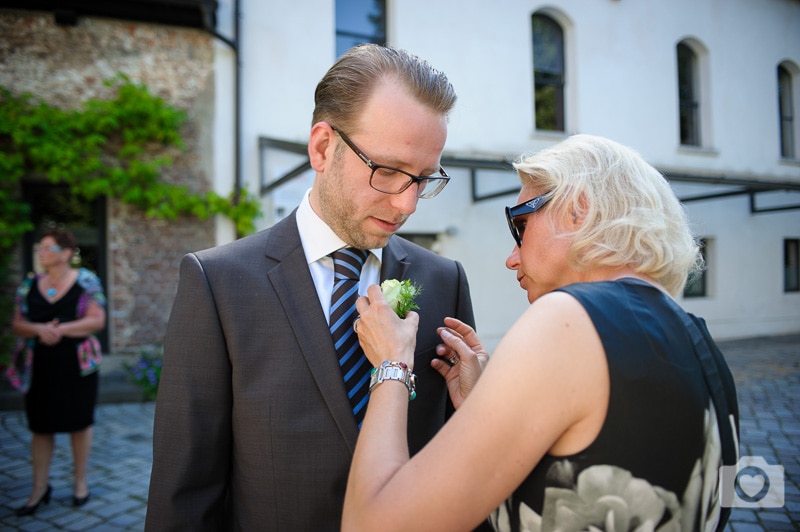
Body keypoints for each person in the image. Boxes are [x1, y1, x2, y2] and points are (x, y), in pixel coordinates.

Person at [145, 43, 479, 531]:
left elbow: (461, 459)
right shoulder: (217, 283)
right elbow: (185, 494)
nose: (408, 205)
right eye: (387, 171)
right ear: (323, 147)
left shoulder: (443, 280)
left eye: (424, 179)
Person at [343, 134, 740, 532]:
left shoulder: (568, 320)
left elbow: (374, 523)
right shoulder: (701, 346)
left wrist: (392, 364)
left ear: (577, 210)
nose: (511, 257)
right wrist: (487, 406)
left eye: (521, 224)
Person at [11, 227, 106, 516]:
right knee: (40, 427)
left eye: (47, 248)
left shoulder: (87, 281)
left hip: (77, 364)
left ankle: (80, 483)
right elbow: (17, 323)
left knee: (79, 422)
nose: (41, 252)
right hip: (40, 364)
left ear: (65, 253)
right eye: (40, 248)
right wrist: (39, 329)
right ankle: (40, 488)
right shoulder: (29, 286)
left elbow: (96, 320)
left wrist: (59, 329)